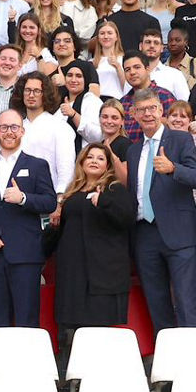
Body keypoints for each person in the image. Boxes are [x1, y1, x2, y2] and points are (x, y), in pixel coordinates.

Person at [0, 110, 57, 329]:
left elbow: (50, 203)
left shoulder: (38, 165)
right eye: (4, 128)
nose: (9, 132)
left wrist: (24, 198)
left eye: (14, 127)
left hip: (25, 253)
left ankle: (26, 364)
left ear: (22, 131)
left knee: (26, 319)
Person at [130, 90, 196, 331]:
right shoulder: (133, 151)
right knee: (156, 301)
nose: (147, 114)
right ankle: (165, 361)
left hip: (179, 233)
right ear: (134, 115)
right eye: (141, 110)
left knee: (186, 301)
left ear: (161, 111)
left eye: (152, 108)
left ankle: (190, 361)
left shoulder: (181, 140)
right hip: (144, 233)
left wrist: (174, 168)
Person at [53, 141, 135, 356]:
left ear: (107, 165)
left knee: (99, 329)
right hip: (74, 272)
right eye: (90, 157)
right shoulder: (72, 191)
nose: (94, 161)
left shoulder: (114, 188)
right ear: (82, 161)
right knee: (77, 328)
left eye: (100, 158)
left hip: (103, 273)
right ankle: (77, 377)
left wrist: (104, 201)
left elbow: (127, 218)